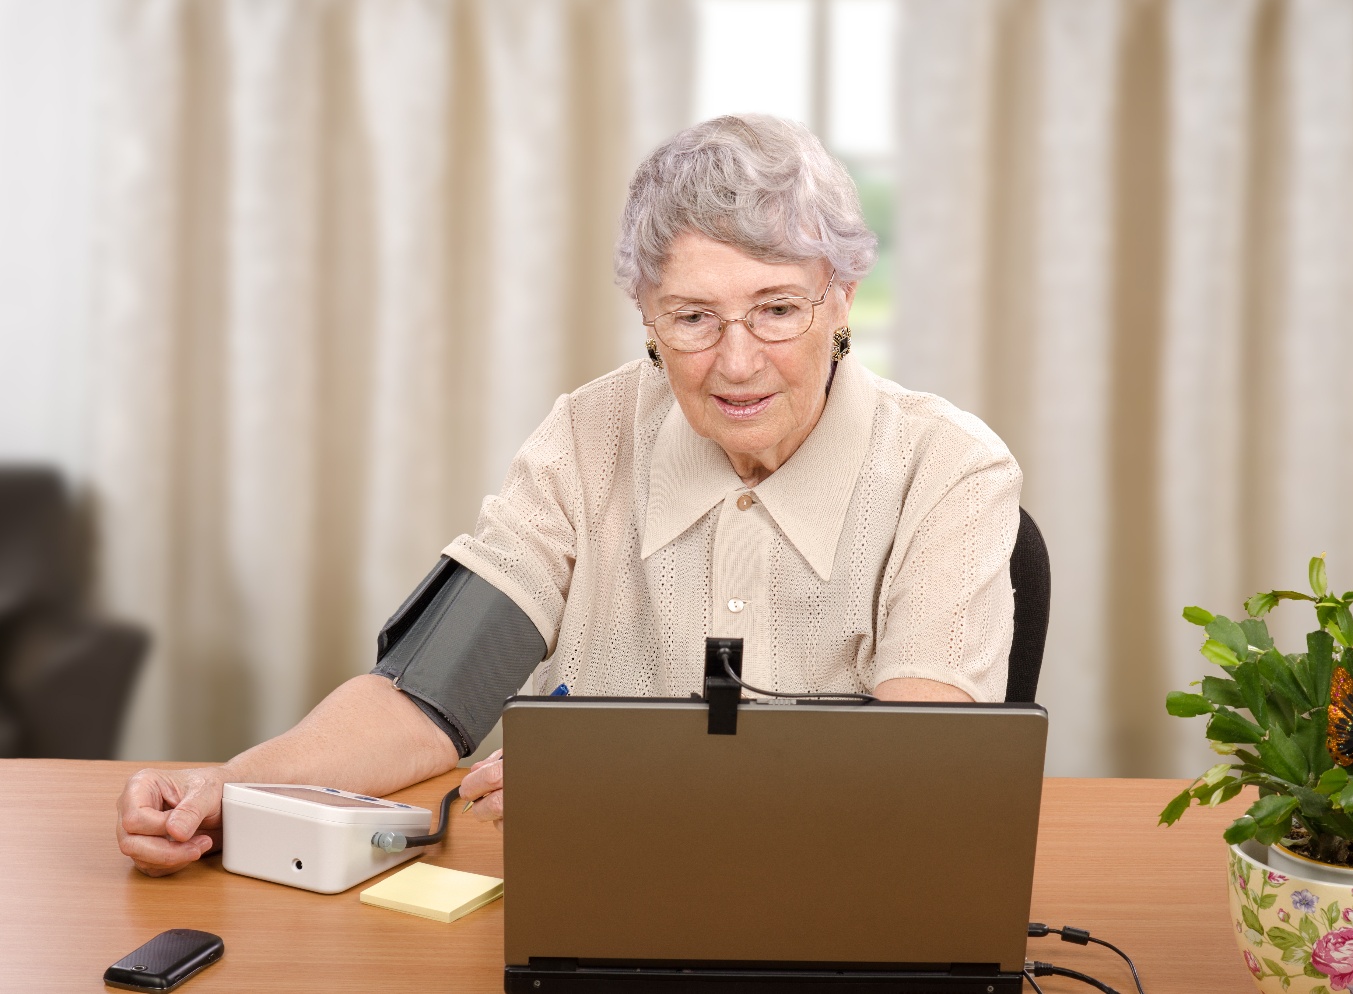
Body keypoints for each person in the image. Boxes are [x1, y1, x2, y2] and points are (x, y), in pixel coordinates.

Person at [115, 114, 1023, 877]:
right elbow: (428, 697)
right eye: (694, 317)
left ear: (842, 299)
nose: (737, 363)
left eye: (778, 308)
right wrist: (226, 788)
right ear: (647, 318)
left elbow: (917, 776)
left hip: (842, 902)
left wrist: (639, 792)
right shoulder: (589, 435)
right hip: (595, 898)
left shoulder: (949, 468)